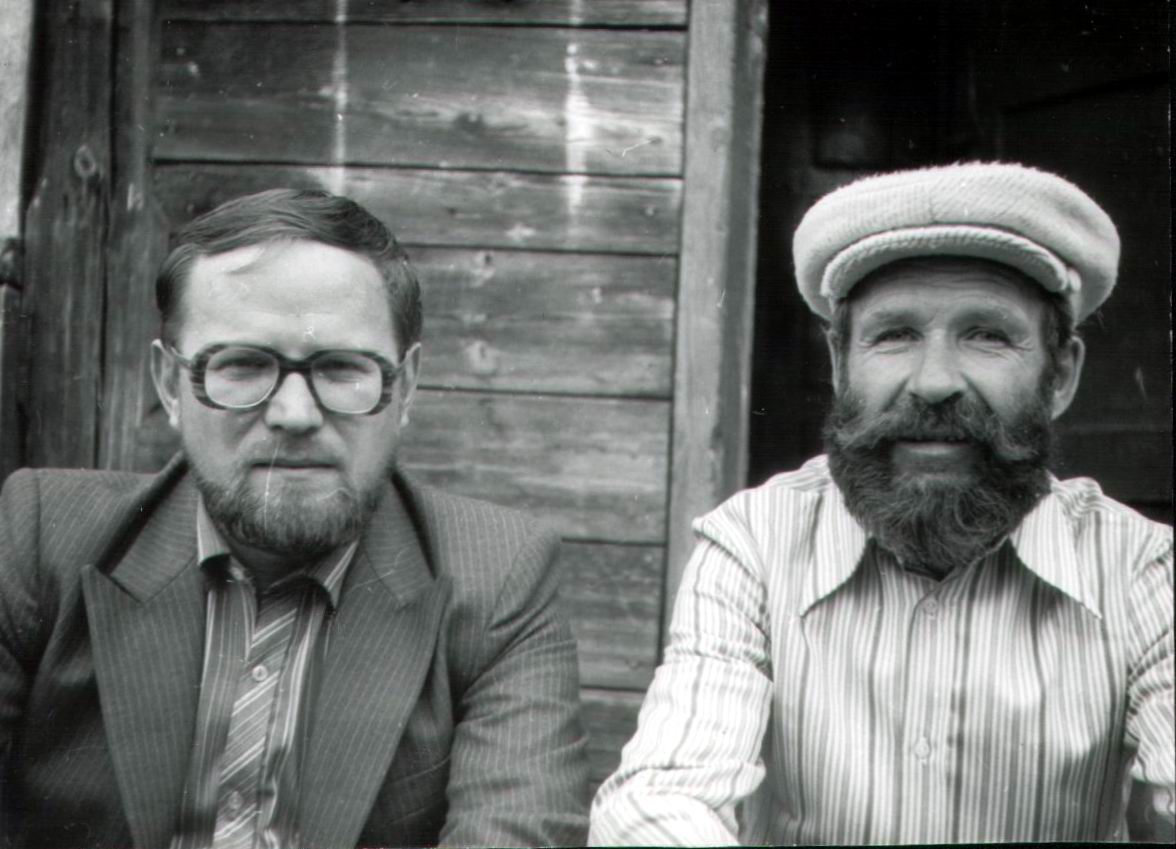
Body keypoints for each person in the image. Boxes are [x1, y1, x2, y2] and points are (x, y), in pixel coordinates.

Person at [590, 162, 1173, 844]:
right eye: (894, 334)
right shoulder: (754, 543)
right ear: (840, 363)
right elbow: (656, 802)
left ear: (1062, 374)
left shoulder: (1141, 569)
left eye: (987, 334)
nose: (934, 382)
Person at [0, 189, 589, 848]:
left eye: (341, 368)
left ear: (404, 387)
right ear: (169, 385)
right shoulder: (41, 536)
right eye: (242, 365)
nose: (295, 414)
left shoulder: (501, 577)